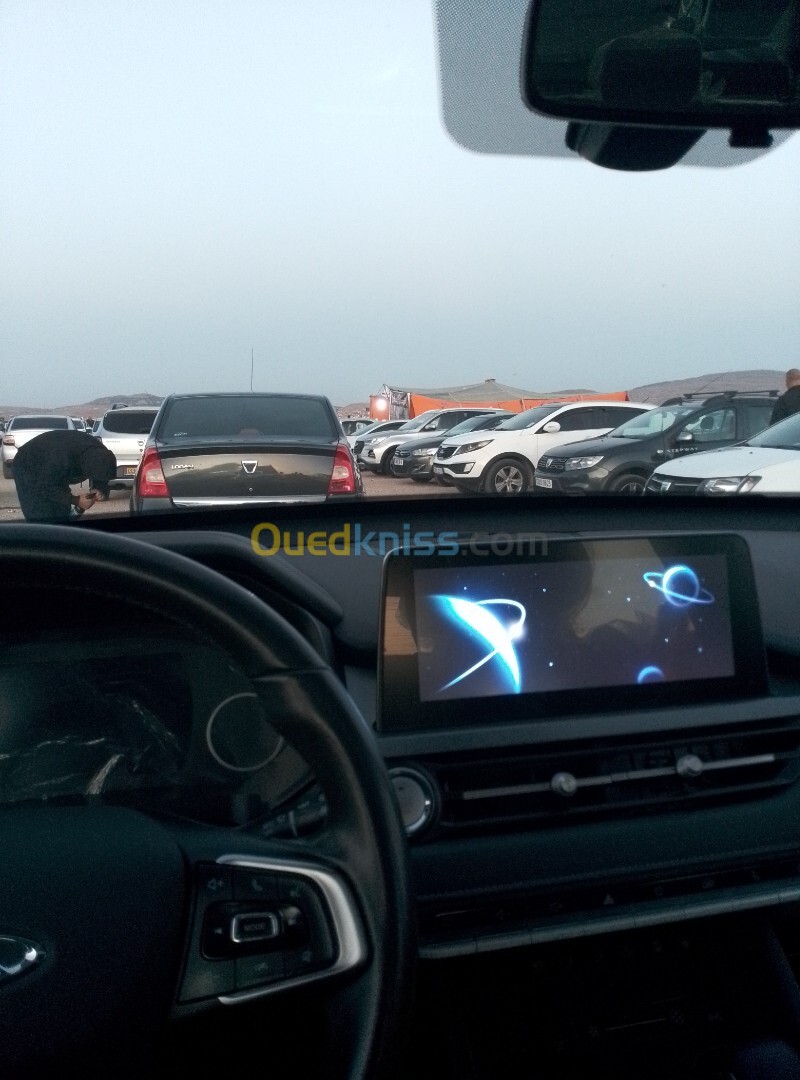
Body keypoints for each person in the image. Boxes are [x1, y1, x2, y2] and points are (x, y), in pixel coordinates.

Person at [12, 428, 117, 522]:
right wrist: (76, 500)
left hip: (54, 468)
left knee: (61, 511)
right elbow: (44, 486)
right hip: (27, 465)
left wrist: (97, 488)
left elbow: (103, 472)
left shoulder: (102, 454)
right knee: (40, 515)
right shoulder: (62, 458)